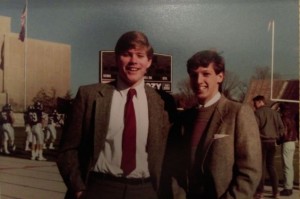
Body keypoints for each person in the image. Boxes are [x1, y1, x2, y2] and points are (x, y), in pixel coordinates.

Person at [57, 31, 175, 199]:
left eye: (140, 55)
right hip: (99, 188)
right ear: (116, 58)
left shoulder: (163, 102)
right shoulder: (89, 95)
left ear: (148, 61)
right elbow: (67, 149)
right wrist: (78, 188)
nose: (133, 61)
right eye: (127, 54)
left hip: (145, 190)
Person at [167, 50, 262, 199]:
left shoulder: (238, 113)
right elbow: (174, 169)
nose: (198, 80)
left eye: (206, 74)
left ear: (220, 76)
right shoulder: (184, 118)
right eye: (194, 75)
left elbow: (250, 172)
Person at [252, 95, 285, 199]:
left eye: (255, 103)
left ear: (259, 102)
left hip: (262, 142)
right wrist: (276, 137)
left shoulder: (257, 113)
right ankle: (276, 192)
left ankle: (260, 192)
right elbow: (281, 128)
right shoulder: (275, 113)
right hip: (272, 142)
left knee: (261, 167)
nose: (254, 105)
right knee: (271, 167)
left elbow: (254, 129)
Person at [278, 103, 298, 196]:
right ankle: (289, 186)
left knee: (286, 166)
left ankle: (287, 188)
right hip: (292, 142)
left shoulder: (284, 118)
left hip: (286, 142)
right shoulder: (292, 118)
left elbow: (283, 132)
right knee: (289, 166)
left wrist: (278, 141)